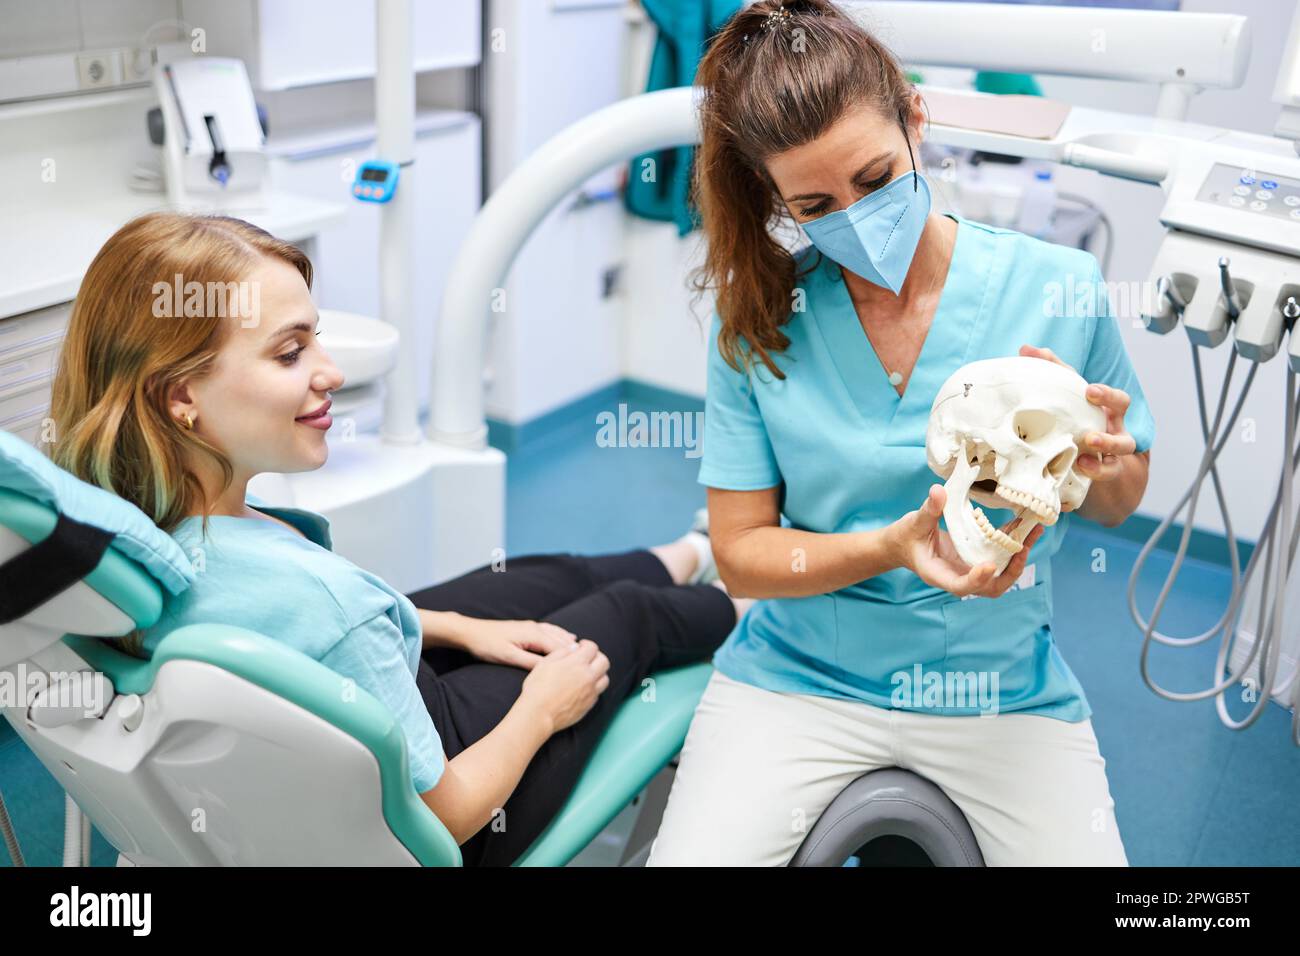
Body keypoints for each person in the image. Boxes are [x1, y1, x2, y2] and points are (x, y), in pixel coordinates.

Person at [48, 211, 750, 867]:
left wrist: (458, 629)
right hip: (457, 805)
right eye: (290, 353)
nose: (330, 370)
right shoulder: (330, 605)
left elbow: (320, 631)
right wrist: (544, 707)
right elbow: (439, 823)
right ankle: (756, 597)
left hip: (346, 717)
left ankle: (696, 548)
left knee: (539, 579)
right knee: (626, 613)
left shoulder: (124, 524)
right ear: (182, 398)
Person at [645, 0, 1156, 866]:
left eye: (876, 179)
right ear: (776, 199)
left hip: (1000, 689)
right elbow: (739, 554)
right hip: (799, 680)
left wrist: (1100, 459)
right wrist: (889, 547)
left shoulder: (1057, 286)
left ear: (915, 117)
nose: (855, 216)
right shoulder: (760, 322)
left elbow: (1118, 500)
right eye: (815, 203)